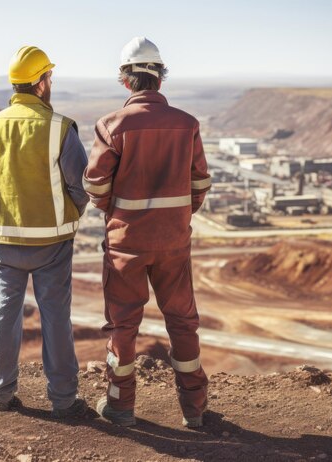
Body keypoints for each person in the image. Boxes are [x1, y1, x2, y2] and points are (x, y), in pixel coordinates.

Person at [83, 37, 211, 427]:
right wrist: (175, 216)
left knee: (123, 326)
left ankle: (121, 406)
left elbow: (95, 185)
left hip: (127, 245)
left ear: (126, 80)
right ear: (161, 78)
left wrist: (118, 213)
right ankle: (195, 409)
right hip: (173, 243)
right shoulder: (187, 124)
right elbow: (200, 183)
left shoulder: (111, 125)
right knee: (183, 322)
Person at [0, 45, 88, 417]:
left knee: (5, 313)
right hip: (51, 243)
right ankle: (64, 401)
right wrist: (71, 212)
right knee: (55, 318)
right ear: (39, 83)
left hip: (4, 242)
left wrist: (3, 196)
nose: (51, 82)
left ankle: (0, 395)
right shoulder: (60, 128)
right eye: (49, 76)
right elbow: (80, 185)